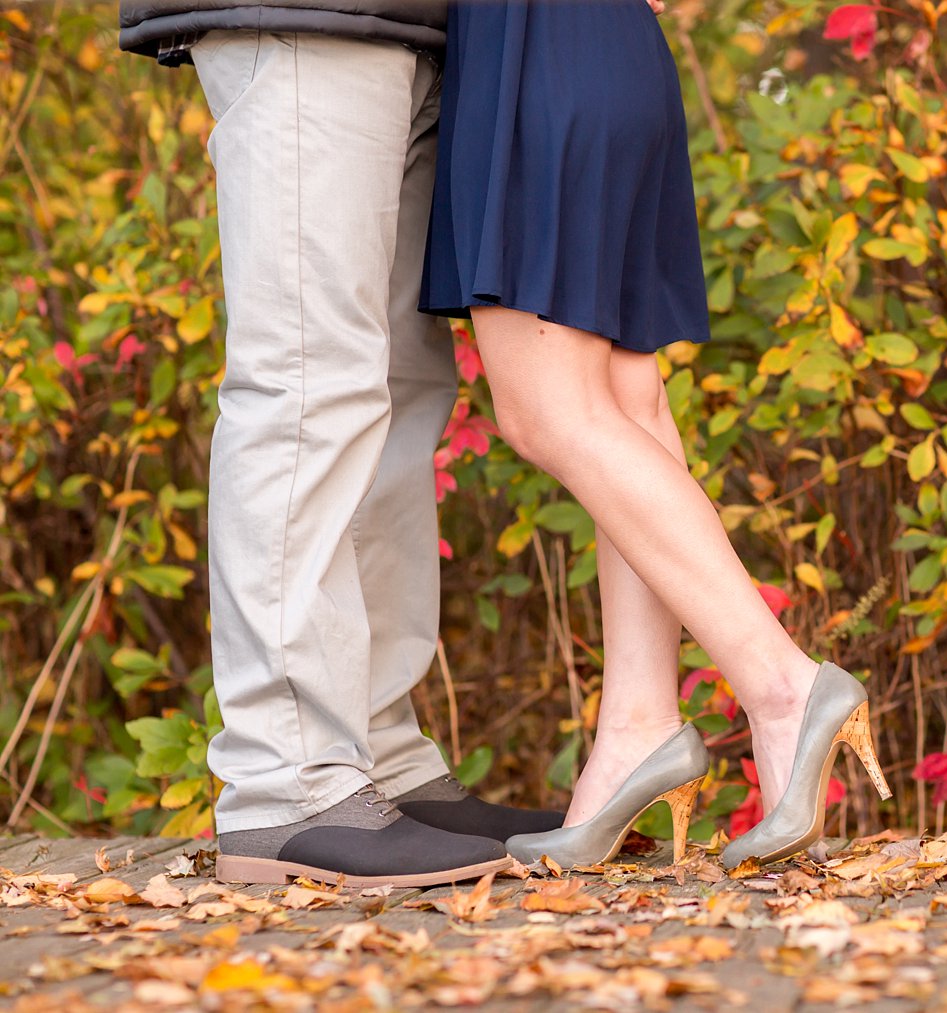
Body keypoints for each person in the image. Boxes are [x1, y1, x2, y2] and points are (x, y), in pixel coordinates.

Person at [421, 0, 893, 870]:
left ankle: (784, 685)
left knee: (550, 409)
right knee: (626, 404)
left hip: (535, 59)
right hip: (611, 50)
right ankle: (639, 724)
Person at [117, 1, 562, 888]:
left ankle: (374, 749)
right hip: (304, 12)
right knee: (308, 375)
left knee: (396, 390)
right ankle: (288, 777)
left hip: (416, 26)